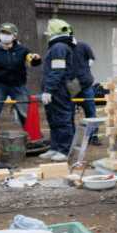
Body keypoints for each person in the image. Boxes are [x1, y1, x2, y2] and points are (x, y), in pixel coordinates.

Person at [0, 23, 41, 140]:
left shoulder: (23, 50)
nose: (4, 35)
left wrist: (36, 59)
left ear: (14, 36)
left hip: (18, 85)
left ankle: (32, 139)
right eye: (3, 33)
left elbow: (32, 62)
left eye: (8, 33)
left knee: (25, 113)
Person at [39, 19, 79, 162]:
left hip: (59, 90)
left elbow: (57, 71)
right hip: (56, 89)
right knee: (53, 119)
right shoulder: (59, 46)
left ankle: (64, 150)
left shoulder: (58, 47)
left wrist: (48, 90)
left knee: (62, 119)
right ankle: (55, 147)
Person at [70, 32, 99, 145]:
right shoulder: (63, 48)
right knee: (69, 113)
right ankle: (71, 137)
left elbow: (92, 58)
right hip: (71, 85)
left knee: (91, 111)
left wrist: (85, 68)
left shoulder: (83, 46)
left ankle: (93, 136)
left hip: (85, 83)